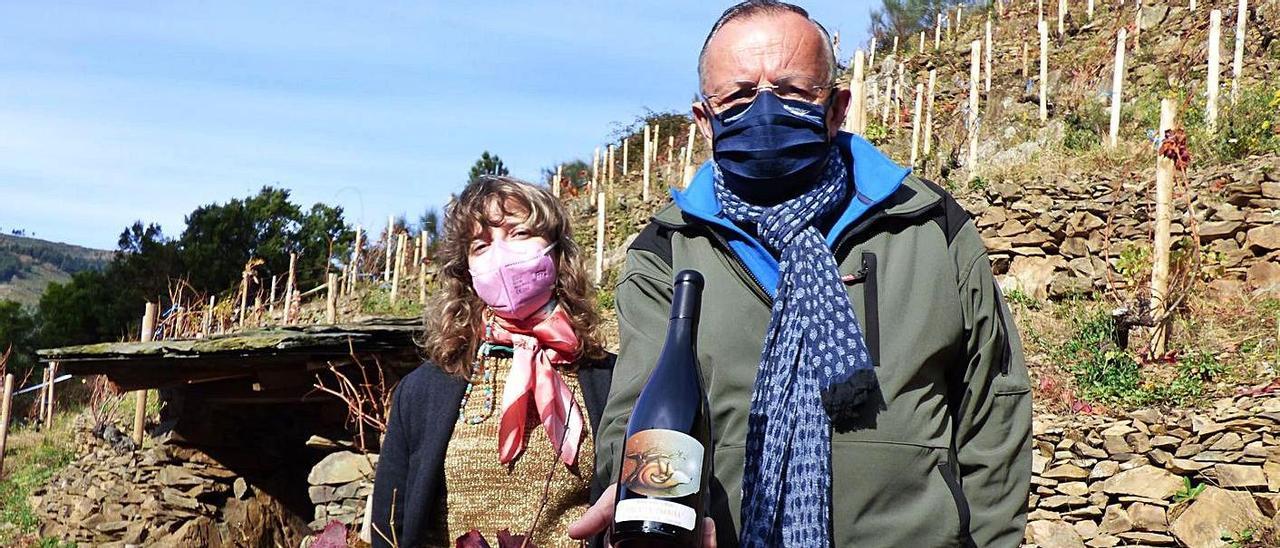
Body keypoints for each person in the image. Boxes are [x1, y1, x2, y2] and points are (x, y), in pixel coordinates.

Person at [570, 2, 1031, 547]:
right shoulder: (668, 250)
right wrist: (636, 494)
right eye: (738, 98)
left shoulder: (929, 228)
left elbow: (993, 410)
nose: (764, 112)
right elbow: (636, 409)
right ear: (705, 121)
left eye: (791, 92)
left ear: (836, 108)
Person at [372, 176, 614, 547]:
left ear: (556, 251)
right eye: (481, 245)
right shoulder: (422, 392)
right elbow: (390, 526)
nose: (501, 256)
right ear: (465, 271)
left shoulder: (611, 381)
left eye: (518, 234)